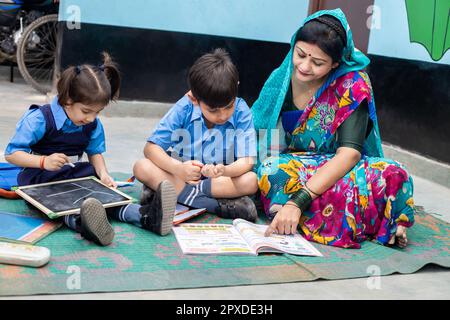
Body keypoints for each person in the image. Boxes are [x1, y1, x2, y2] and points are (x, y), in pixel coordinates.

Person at [253, 9, 415, 249]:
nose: (305, 66)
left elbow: (349, 154)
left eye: (317, 63)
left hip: (344, 168)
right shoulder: (282, 78)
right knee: (270, 169)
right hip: (298, 166)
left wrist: (299, 200)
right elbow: (261, 132)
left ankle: (293, 212)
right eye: (300, 54)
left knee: (394, 173)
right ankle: (375, 219)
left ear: (335, 64)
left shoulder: (353, 84)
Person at [5, 52, 176, 246]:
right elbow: (11, 154)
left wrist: (104, 174)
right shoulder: (39, 119)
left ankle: (147, 217)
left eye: (98, 112)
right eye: (86, 111)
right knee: (63, 204)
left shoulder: (92, 124)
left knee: (103, 195)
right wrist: (43, 161)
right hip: (39, 178)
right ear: (67, 100)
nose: (92, 118)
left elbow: (94, 152)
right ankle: (83, 223)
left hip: (73, 174)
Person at [134, 48, 259, 222]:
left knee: (251, 181)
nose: (222, 115)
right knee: (141, 166)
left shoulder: (242, 110)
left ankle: (173, 194)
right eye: (213, 110)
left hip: (217, 180)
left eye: (228, 106)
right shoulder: (184, 107)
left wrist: (225, 170)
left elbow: (247, 160)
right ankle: (212, 205)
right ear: (194, 98)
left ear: (236, 87)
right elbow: (150, 148)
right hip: (182, 173)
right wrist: (178, 168)